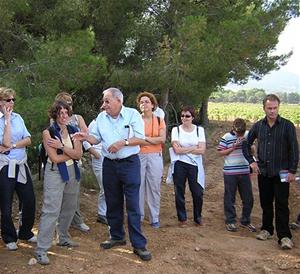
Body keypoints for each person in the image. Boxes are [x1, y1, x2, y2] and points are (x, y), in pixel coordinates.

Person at [73, 87, 152, 261]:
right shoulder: (101, 118)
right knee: (112, 201)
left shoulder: (132, 115)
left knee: (132, 204)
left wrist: (123, 142)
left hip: (130, 163)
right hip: (109, 163)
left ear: (119, 101)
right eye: (103, 101)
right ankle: (117, 236)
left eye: (107, 101)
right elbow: (96, 139)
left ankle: (139, 245)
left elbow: (141, 139)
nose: (103, 105)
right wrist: (84, 137)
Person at [243, 94, 299, 250]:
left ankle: (285, 236)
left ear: (278, 108)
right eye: (269, 108)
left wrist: (292, 171)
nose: (272, 111)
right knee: (266, 203)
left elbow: (294, 150)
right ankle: (266, 229)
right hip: (264, 172)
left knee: (282, 204)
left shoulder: (287, 126)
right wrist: (252, 162)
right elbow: (246, 144)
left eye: (275, 108)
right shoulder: (258, 126)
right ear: (264, 108)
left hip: (282, 173)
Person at [35, 101, 82, 265]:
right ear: (54, 115)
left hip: (72, 172)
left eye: (66, 112)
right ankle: (41, 249)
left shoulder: (74, 130)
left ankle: (63, 237)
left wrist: (62, 146)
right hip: (55, 172)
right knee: (51, 210)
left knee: (70, 206)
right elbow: (55, 158)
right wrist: (73, 154)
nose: (64, 116)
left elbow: (79, 154)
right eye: (60, 113)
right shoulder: (48, 132)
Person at [0, 87, 36, 251]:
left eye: (13, 99)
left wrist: (13, 145)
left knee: (29, 200)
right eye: (8, 100)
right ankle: (8, 237)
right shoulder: (5, 119)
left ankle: (25, 232)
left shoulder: (19, 117)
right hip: (5, 166)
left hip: (21, 165)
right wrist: (6, 119)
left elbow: (28, 139)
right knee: (6, 205)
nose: (12, 102)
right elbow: (5, 142)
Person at [54, 92, 90, 232]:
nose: (68, 106)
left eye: (69, 103)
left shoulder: (77, 118)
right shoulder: (54, 120)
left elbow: (85, 135)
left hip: (75, 160)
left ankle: (76, 220)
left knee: (73, 193)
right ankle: (61, 224)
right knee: (61, 195)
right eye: (64, 103)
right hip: (60, 161)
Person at [217, 118, 256, 232]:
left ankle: (245, 221)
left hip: (244, 170)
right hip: (230, 172)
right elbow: (220, 152)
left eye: (242, 133)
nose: (240, 135)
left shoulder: (248, 135)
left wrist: (248, 145)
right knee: (230, 197)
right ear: (233, 129)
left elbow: (253, 150)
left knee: (248, 198)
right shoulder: (226, 137)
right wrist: (233, 147)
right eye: (238, 133)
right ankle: (230, 221)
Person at [171, 106, 206, 226]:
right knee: (179, 191)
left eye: (187, 116)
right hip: (179, 163)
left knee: (197, 192)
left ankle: (198, 217)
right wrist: (193, 148)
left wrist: (184, 149)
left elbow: (202, 150)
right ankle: (182, 218)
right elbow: (176, 150)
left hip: (195, 165)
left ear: (192, 117)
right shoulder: (176, 130)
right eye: (182, 116)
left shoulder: (199, 130)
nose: (184, 118)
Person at [136, 91, 166, 228]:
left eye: (147, 101)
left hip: (155, 156)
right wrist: (152, 140)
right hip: (138, 156)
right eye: (141, 102)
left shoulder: (159, 120)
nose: (144, 104)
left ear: (153, 105)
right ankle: (139, 216)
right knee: (139, 186)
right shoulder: (135, 120)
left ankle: (154, 217)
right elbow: (135, 139)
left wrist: (145, 139)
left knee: (154, 187)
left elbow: (162, 139)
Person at [83, 118, 107, 225]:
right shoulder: (94, 123)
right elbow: (85, 141)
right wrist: (95, 153)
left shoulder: (111, 122)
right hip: (99, 157)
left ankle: (106, 212)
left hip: (110, 156)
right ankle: (102, 213)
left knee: (110, 186)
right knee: (105, 186)